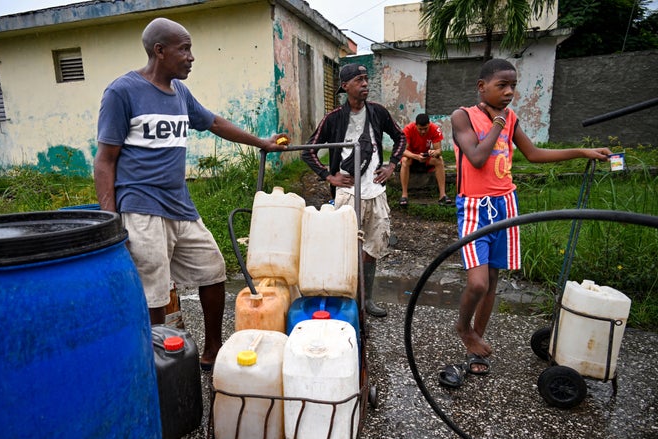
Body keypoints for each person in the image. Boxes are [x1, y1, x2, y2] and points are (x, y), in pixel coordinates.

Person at [94, 17, 287, 370]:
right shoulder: (122, 92)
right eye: (184, 49)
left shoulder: (179, 92)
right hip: (140, 207)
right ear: (160, 51)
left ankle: (212, 350)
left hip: (179, 204)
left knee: (212, 269)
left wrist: (261, 142)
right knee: (153, 289)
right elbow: (105, 161)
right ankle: (154, 367)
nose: (191, 57)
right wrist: (111, 220)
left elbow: (213, 122)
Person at [438, 58, 611, 388]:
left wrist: (581, 152)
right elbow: (476, 158)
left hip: (505, 204)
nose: (509, 92)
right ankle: (463, 327)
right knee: (476, 283)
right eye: (501, 85)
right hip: (474, 206)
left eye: (513, 86)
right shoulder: (463, 116)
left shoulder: (510, 117)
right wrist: (498, 124)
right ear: (482, 87)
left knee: (492, 279)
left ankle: (476, 348)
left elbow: (532, 153)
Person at [301, 63, 406, 318]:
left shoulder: (378, 112)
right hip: (347, 193)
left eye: (366, 79)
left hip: (376, 191)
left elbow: (400, 137)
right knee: (344, 246)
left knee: (373, 247)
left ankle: (367, 300)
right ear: (345, 86)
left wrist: (392, 165)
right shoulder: (334, 118)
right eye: (359, 80)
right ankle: (346, 300)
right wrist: (329, 176)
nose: (365, 84)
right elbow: (307, 150)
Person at [399, 113, 451, 206]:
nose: (423, 131)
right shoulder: (408, 129)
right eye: (420, 129)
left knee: (439, 160)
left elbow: (438, 150)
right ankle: (404, 195)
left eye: (425, 129)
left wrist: (434, 153)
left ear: (429, 124)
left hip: (425, 157)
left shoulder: (435, 129)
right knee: (405, 161)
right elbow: (402, 151)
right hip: (412, 157)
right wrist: (416, 157)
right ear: (416, 125)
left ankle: (442, 195)